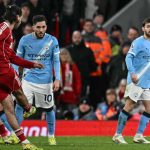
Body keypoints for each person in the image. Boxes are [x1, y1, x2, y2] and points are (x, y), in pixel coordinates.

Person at [0, 4, 43, 150]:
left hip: (3, 70)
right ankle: (28, 108)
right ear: (17, 17)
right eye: (21, 17)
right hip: (4, 71)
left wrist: (31, 64)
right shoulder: (4, 28)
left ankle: (23, 142)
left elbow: (12, 56)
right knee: (18, 93)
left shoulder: (9, 33)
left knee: (8, 107)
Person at [15, 15, 60, 145]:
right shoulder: (24, 40)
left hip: (45, 81)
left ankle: (51, 136)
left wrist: (57, 79)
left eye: (43, 27)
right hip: (28, 80)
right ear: (33, 27)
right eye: (38, 27)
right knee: (19, 106)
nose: (41, 30)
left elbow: (56, 61)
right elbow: (17, 60)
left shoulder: (52, 40)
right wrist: (14, 75)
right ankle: (17, 135)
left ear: (46, 27)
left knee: (49, 109)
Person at [113, 18, 150, 144]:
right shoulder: (138, 42)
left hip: (147, 82)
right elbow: (128, 58)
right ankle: (117, 134)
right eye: (148, 26)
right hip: (136, 79)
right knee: (129, 105)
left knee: (149, 108)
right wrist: (133, 73)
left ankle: (138, 135)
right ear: (143, 28)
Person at [66, 31, 97, 98]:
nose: (77, 39)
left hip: (85, 79)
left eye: (79, 37)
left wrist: (87, 71)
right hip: (70, 79)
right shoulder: (67, 50)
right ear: (72, 38)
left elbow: (93, 65)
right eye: (75, 37)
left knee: (84, 96)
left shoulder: (88, 50)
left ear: (82, 38)